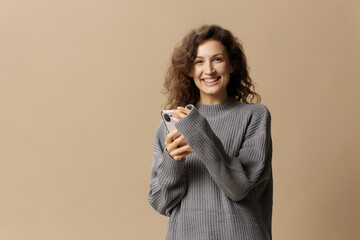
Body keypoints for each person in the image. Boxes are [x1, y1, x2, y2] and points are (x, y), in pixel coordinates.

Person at [148, 24, 273, 240]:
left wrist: (198, 131)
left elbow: (238, 188)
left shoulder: (255, 116)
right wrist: (172, 161)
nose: (209, 70)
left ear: (232, 64)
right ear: (189, 70)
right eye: (199, 62)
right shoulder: (171, 125)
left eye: (217, 59)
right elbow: (161, 202)